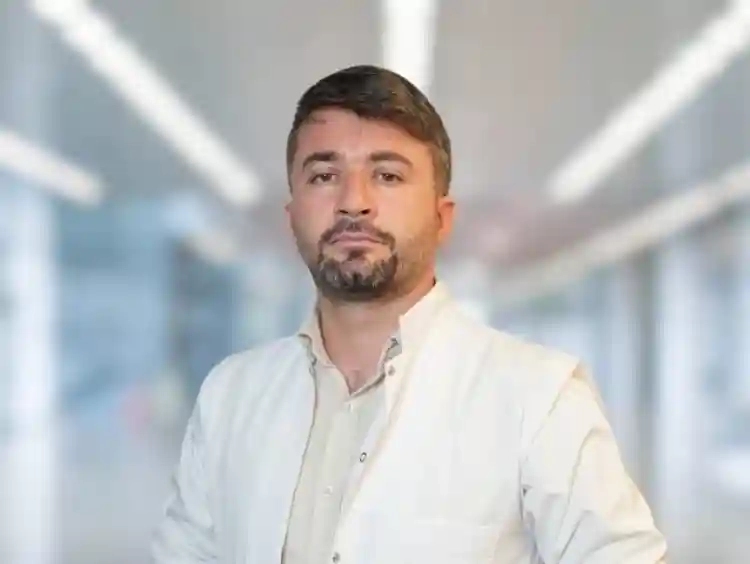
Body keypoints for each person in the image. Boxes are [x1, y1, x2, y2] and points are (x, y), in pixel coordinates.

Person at [152, 64, 668, 564]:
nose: (354, 202)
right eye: (325, 175)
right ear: (292, 217)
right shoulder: (230, 396)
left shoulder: (539, 397)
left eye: (388, 175)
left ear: (442, 218)